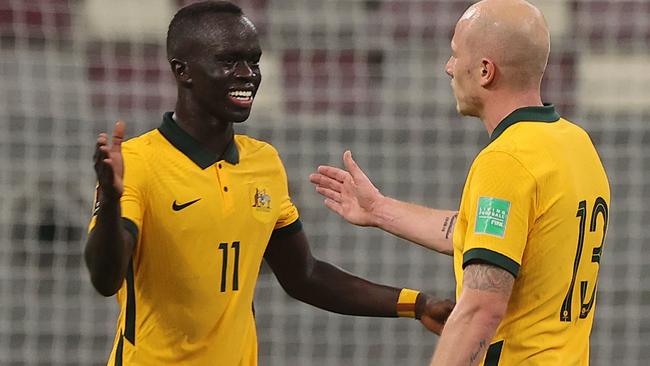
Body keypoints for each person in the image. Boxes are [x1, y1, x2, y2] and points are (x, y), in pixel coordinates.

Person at [84, 1, 454, 365]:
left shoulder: (263, 162)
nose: (248, 73)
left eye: (254, 60)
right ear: (183, 71)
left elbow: (304, 275)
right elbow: (105, 278)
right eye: (228, 61)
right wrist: (113, 202)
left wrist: (416, 304)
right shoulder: (137, 162)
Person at [309, 0, 610, 364]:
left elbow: (481, 308)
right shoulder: (575, 143)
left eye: (455, 54)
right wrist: (379, 209)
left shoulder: (507, 160)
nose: (449, 67)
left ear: (485, 71)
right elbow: (495, 235)